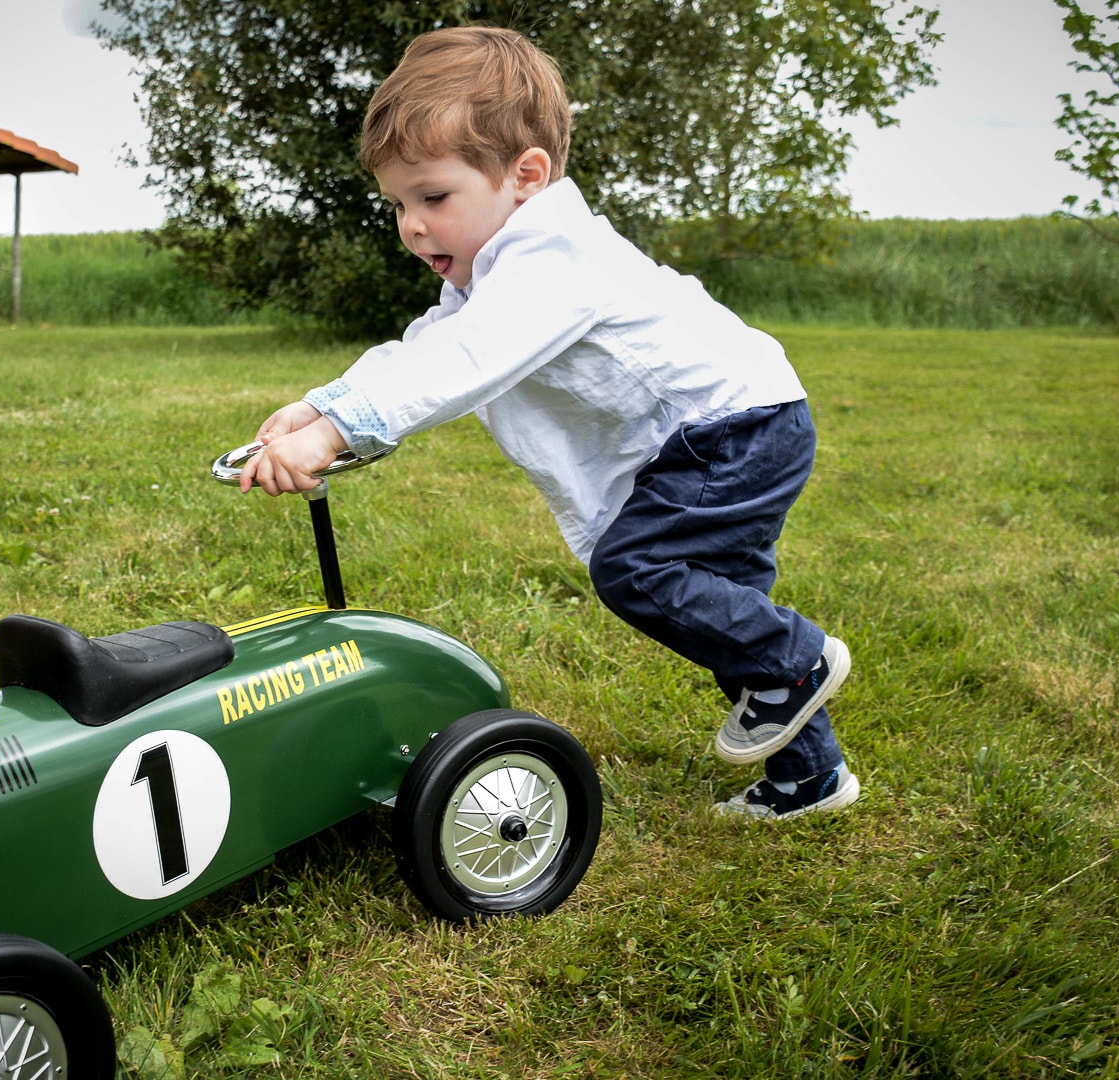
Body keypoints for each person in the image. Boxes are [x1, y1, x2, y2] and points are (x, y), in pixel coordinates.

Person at [237, 25, 859, 819]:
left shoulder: (553, 257)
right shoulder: (497, 270)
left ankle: (797, 660)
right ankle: (812, 777)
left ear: (526, 176)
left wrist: (337, 435)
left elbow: (467, 363)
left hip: (733, 428)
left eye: (433, 197)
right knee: (721, 611)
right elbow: (432, 344)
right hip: (727, 427)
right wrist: (325, 404)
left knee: (643, 575)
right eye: (397, 203)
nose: (412, 225)